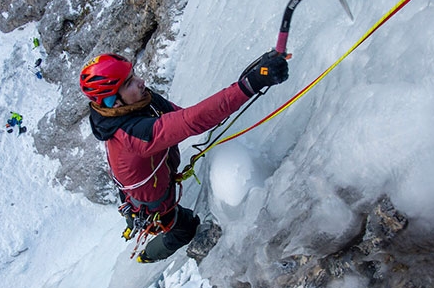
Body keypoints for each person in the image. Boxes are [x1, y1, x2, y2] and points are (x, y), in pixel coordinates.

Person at [80, 50, 289, 263]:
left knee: (145, 209)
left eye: (133, 75)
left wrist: (249, 80)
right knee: (186, 228)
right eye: (129, 83)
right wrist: (251, 84)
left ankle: (132, 221)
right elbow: (191, 121)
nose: (141, 82)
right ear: (113, 103)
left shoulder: (141, 102)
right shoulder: (134, 137)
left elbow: (186, 118)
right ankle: (147, 256)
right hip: (154, 204)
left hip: (141, 189)